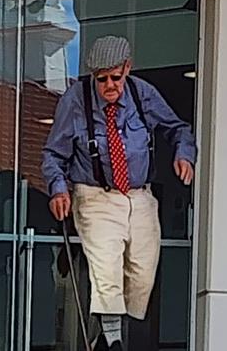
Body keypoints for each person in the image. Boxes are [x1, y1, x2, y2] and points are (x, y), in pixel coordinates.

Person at [41, 35, 197, 350]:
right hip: (95, 194)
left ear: (128, 68)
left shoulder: (143, 94)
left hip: (139, 194)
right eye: (102, 79)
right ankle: (113, 342)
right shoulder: (75, 100)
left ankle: (110, 334)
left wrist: (184, 154)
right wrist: (59, 190)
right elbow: (54, 155)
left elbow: (177, 128)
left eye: (116, 77)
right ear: (92, 75)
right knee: (106, 266)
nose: (109, 85)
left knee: (142, 274)